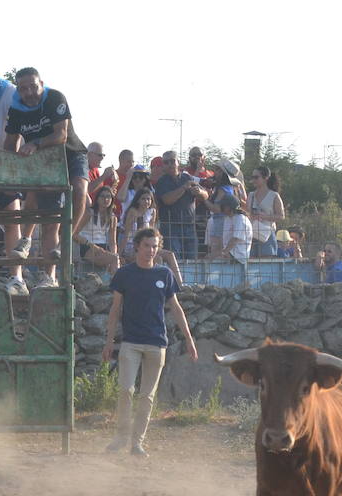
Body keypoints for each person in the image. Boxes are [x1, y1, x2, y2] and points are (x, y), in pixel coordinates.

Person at [102, 227, 198, 457]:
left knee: (147, 396)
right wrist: (109, 341)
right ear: (137, 246)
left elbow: (176, 308)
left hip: (157, 343)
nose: (151, 250)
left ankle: (137, 443)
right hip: (131, 341)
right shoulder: (124, 274)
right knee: (126, 389)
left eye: (154, 246)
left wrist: (189, 339)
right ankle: (121, 437)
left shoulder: (164, 274)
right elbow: (115, 309)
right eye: (147, 245)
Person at [2, 67, 85, 287]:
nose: (29, 92)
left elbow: (61, 134)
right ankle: (45, 271)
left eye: (33, 86)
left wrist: (35, 143)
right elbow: (10, 142)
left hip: (70, 154)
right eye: (23, 89)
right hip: (43, 163)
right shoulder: (16, 108)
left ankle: (66, 241)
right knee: (48, 217)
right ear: (18, 90)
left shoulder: (55, 98)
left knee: (79, 190)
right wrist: (8, 170)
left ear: (41, 83)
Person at [154, 149, 208, 262]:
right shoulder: (161, 182)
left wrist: (199, 192)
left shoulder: (187, 178)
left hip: (190, 225)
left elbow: (205, 195)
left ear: (178, 162)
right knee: (175, 260)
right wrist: (184, 188)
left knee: (192, 261)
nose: (170, 164)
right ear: (163, 165)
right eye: (166, 162)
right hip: (171, 227)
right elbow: (167, 200)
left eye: (172, 161)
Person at [75, 183, 120, 272]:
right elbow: (74, 234)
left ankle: (111, 278)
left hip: (103, 247)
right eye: (102, 196)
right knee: (114, 259)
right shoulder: (89, 213)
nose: (105, 199)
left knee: (115, 258)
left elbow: (112, 241)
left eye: (108, 197)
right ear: (97, 198)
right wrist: (92, 246)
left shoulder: (112, 217)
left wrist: (114, 253)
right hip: (87, 245)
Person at [246, 166, 284, 258]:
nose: (253, 180)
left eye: (256, 177)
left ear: (266, 178)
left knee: (267, 264)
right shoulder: (251, 195)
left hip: (267, 235)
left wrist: (264, 216)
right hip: (252, 234)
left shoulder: (274, 195)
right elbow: (248, 213)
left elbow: (281, 216)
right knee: (251, 263)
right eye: (252, 177)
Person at [205, 192, 252, 262]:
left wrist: (222, 253)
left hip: (238, 255)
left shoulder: (240, 219)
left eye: (223, 206)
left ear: (229, 207)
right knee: (208, 257)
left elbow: (235, 239)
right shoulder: (228, 218)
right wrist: (217, 252)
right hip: (230, 252)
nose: (221, 208)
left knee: (212, 259)